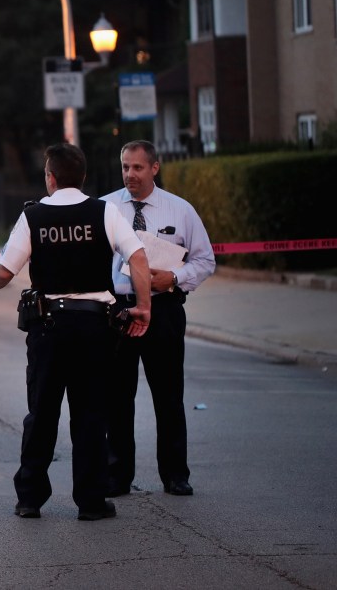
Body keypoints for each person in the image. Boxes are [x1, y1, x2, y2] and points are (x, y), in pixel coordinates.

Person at [0, 143, 152, 521]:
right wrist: (144, 307)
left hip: (49, 329)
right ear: (83, 177)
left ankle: (30, 499)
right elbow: (138, 258)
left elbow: (5, 270)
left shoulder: (33, 216)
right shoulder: (105, 212)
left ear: (51, 178)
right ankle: (90, 501)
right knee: (90, 415)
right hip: (94, 328)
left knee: (41, 413)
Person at [101, 140, 215, 497]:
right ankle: (117, 475)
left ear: (155, 168)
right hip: (119, 309)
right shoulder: (105, 207)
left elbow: (204, 260)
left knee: (168, 396)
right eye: (125, 167)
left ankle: (175, 475)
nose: (130, 175)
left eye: (137, 168)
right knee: (118, 397)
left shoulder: (179, 210)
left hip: (163, 310)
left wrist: (175, 279)